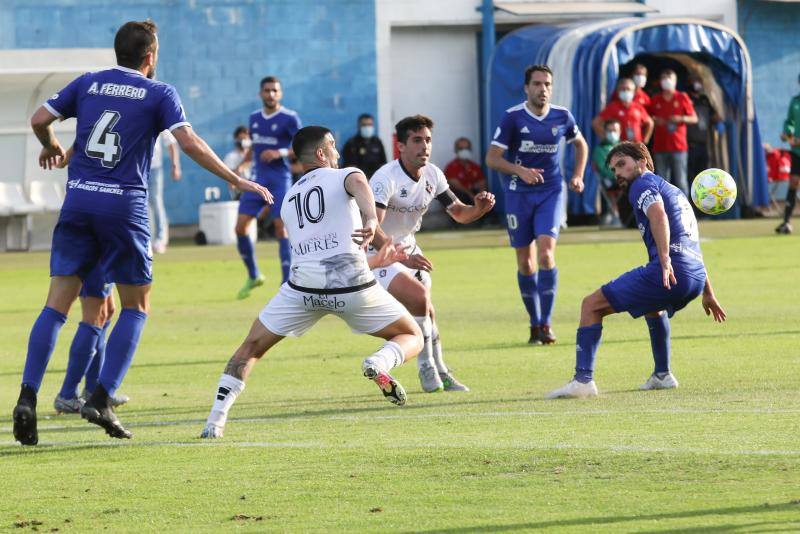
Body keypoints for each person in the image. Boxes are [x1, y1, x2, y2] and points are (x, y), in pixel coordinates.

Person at [13, 19, 272, 446]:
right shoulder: (158, 92)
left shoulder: (89, 83)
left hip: (78, 200)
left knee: (57, 306)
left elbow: (40, 118)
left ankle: (27, 396)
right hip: (123, 207)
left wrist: (50, 144)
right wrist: (237, 178)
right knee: (136, 306)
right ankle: (100, 397)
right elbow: (188, 143)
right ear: (150, 57)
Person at [200, 126, 423, 439]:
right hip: (352, 287)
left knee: (249, 348)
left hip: (303, 290)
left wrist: (373, 261)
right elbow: (359, 183)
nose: (337, 151)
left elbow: (320, 258)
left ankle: (214, 422)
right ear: (321, 153)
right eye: (332, 145)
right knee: (411, 333)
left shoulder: (289, 199)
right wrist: (371, 220)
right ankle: (379, 361)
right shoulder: (346, 174)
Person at [546, 141, 726, 399]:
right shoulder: (675, 191)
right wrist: (708, 292)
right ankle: (662, 375)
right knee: (653, 305)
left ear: (642, 163)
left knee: (591, 305)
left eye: (621, 164)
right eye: (613, 169)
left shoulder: (641, 184)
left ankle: (582, 380)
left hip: (672, 269)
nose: (617, 173)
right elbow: (692, 243)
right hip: (694, 276)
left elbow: (659, 216)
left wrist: (664, 260)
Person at [369, 115, 495, 393]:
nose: (424, 146)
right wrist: (400, 257)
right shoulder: (384, 178)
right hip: (378, 253)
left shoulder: (433, 175)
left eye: (427, 140)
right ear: (400, 146)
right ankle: (426, 368)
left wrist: (479, 210)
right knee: (420, 298)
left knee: (428, 311)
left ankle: (442, 371)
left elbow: (459, 212)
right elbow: (373, 229)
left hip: (408, 247)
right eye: (416, 140)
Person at [485, 64, 588, 345]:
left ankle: (546, 324)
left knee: (545, 255)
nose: (543, 89)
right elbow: (492, 158)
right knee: (526, 261)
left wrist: (577, 175)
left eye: (547, 84)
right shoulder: (513, 118)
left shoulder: (562, 116)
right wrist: (520, 170)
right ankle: (534, 322)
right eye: (538, 84)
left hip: (551, 192)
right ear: (526, 88)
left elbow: (581, 144)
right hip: (518, 194)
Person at [236, 76, 302, 299]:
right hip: (257, 179)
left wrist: (280, 153)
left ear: (280, 94)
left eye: (275, 90)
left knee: (280, 228)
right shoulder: (254, 118)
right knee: (240, 227)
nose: (271, 94)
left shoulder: (290, 118)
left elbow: (301, 146)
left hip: (279, 179)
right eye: (267, 90)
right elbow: (254, 146)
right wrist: (243, 163)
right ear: (260, 94)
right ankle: (254, 275)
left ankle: (286, 285)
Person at [649, 69, 698, 196]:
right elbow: (647, 118)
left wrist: (681, 118)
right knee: (661, 182)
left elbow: (694, 118)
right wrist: (655, 121)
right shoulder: (655, 100)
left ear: (675, 81)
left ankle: (684, 211)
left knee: (681, 181)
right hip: (660, 147)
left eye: (669, 78)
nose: (666, 81)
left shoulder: (682, 97)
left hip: (679, 147)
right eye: (664, 78)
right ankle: (665, 212)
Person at [593, 77, 653, 144]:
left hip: (636, 145)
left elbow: (650, 123)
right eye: (623, 89)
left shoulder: (638, 107)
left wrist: (645, 140)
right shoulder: (613, 107)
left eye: (628, 89)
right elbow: (596, 123)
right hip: (621, 146)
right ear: (618, 91)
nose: (626, 91)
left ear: (633, 92)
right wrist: (606, 139)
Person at [149, 130, 181, 254]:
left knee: (156, 201)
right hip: (137, 167)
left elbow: (171, 143)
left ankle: (161, 239)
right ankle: (148, 240)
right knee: (141, 205)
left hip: (154, 168)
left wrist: (175, 165)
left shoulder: (159, 117)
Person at [776, 73, 800, 235]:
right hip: (797, 151)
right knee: (793, 183)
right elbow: (789, 122)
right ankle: (786, 222)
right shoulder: (795, 102)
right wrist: (787, 134)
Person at [686, 76, 719, 182]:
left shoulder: (705, 99)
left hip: (703, 143)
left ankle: (701, 198)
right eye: (695, 81)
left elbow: (715, 116)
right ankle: (690, 198)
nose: (697, 84)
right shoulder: (686, 98)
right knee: (689, 173)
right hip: (689, 144)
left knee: (703, 173)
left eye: (699, 81)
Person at [591, 119, 622, 226]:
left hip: (626, 180)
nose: (612, 133)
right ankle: (616, 215)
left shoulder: (625, 147)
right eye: (610, 131)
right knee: (611, 187)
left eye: (615, 130)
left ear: (620, 131)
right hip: (610, 180)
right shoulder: (600, 149)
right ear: (605, 132)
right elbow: (605, 169)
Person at [341, 113, 387, 178]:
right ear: (359, 126)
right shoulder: (351, 143)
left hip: (377, 178)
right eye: (364, 125)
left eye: (370, 125)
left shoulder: (377, 142)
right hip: (359, 179)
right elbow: (349, 167)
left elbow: (384, 164)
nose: (367, 127)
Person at [444, 137, 487, 204]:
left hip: (474, 196)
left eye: (467, 148)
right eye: (461, 149)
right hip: (460, 198)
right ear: (456, 150)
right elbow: (457, 186)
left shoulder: (475, 166)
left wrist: (482, 197)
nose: (464, 151)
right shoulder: (451, 167)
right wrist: (471, 195)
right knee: (461, 195)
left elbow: (482, 183)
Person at [222, 125, 253, 200]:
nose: (243, 141)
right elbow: (231, 182)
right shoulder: (230, 157)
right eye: (241, 139)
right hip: (241, 195)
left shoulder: (255, 155)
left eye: (245, 138)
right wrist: (243, 165)